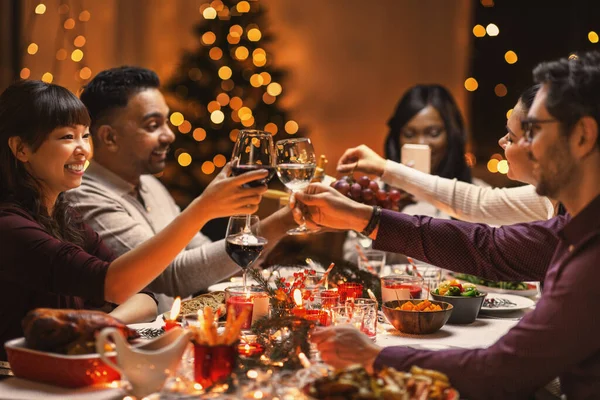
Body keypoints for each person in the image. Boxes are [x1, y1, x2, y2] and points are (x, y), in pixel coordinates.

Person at [294, 51, 600, 398]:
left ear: (582, 136)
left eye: (531, 132)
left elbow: (502, 371)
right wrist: (362, 217)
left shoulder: (591, 255)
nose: (519, 148)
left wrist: (375, 356)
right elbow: (484, 246)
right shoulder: (574, 226)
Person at [0, 79, 268, 360]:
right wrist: (202, 209)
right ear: (21, 149)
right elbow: (115, 284)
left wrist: (102, 327)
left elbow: (143, 295)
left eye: (85, 135)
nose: (83, 150)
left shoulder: (66, 217)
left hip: (63, 374)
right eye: (67, 137)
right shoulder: (10, 227)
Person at [66, 66, 295, 313]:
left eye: (166, 122)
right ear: (109, 137)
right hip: (127, 345)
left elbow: (209, 262)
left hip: (169, 338)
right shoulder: (83, 197)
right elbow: (172, 277)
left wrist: (285, 223)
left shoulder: (150, 185)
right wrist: (282, 221)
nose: (170, 135)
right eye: (153, 125)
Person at [337, 84, 557, 226]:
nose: (501, 142)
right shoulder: (548, 197)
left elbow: (484, 236)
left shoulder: (572, 208)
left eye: (510, 136)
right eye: (410, 133)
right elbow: (476, 202)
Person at [344, 85, 487, 263]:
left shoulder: (476, 193)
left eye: (433, 133)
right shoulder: (379, 192)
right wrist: (380, 221)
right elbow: (354, 262)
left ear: (452, 135)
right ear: (397, 139)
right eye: (410, 134)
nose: (422, 143)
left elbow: (489, 261)